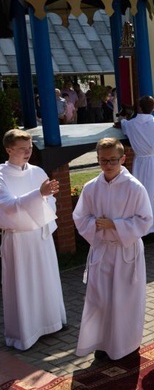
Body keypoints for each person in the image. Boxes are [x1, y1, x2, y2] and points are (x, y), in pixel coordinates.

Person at [73, 138, 153, 361]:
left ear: (123, 159)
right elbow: (80, 216)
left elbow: (146, 220)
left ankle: (126, 346)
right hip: (102, 250)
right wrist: (96, 227)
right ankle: (102, 343)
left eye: (113, 160)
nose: (108, 165)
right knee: (100, 300)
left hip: (125, 251)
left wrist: (115, 225)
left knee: (124, 301)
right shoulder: (91, 187)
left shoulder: (134, 187)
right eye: (102, 160)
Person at [0, 129, 66, 350]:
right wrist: (39, 195)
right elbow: (6, 206)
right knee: (23, 284)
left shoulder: (37, 171)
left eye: (29, 148)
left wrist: (45, 198)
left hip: (40, 235)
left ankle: (51, 322)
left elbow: (51, 201)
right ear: (9, 149)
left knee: (45, 278)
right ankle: (25, 333)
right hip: (18, 240)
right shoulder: (1, 175)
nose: (28, 152)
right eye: (22, 149)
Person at [120, 95, 154, 235]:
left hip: (141, 163)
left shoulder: (130, 124)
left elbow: (121, 123)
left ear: (139, 108)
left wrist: (124, 115)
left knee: (142, 193)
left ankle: (144, 226)